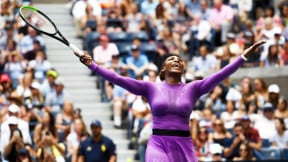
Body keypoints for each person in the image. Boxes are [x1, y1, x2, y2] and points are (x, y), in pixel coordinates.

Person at [78, 41, 266, 161]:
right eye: (171, 59)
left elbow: (220, 75)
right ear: (163, 69)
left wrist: (242, 57)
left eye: (179, 60)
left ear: (183, 68)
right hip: (158, 142)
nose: (176, 60)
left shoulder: (193, 88)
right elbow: (118, 79)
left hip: (183, 144)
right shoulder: (151, 87)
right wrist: (93, 65)